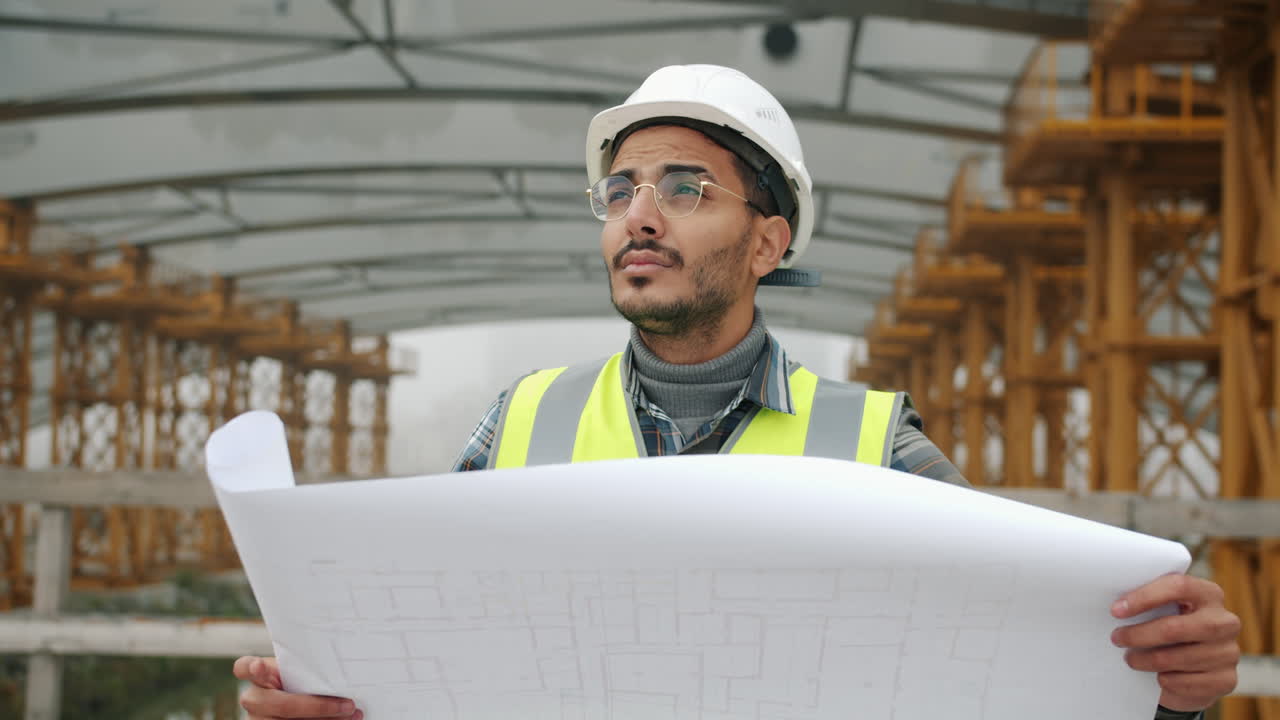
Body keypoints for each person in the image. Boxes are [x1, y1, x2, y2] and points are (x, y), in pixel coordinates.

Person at [234, 65, 1240, 720]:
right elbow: (417, 657)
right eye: (619, 189)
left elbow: (1000, 667)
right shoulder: (519, 422)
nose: (638, 214)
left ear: (767, 242)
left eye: (683, 187)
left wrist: (1168, 692)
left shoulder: (876, 444)